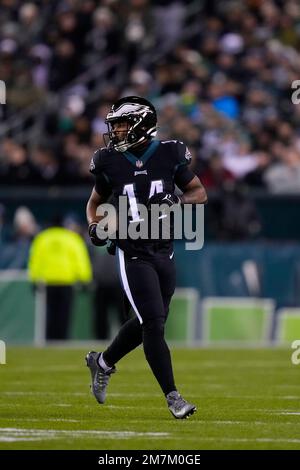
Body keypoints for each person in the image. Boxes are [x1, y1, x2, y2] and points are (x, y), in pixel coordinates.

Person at [85, 96, 207, 419]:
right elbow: (94, 202)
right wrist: (95, 226)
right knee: (153, 322)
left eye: (122, 126)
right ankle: (174, 398)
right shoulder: (108, 161)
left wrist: (176, 206)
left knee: (145, 323)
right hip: (132, 251)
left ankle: (102, 362)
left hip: (163, 249)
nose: (116, 133)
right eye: (115, 127)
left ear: (141, 125)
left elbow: (199, 192)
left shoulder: (169, 153)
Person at [28, 217, 92, 340]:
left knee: (50, 313)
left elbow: (34, 260)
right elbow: (80, 260)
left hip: (49, 282)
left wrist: (34, 279)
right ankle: (63, 339)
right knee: (65, 314)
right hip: (66, 282)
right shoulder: (72, 238)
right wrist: (84, 279)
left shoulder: (42, 238)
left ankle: (50, 339)